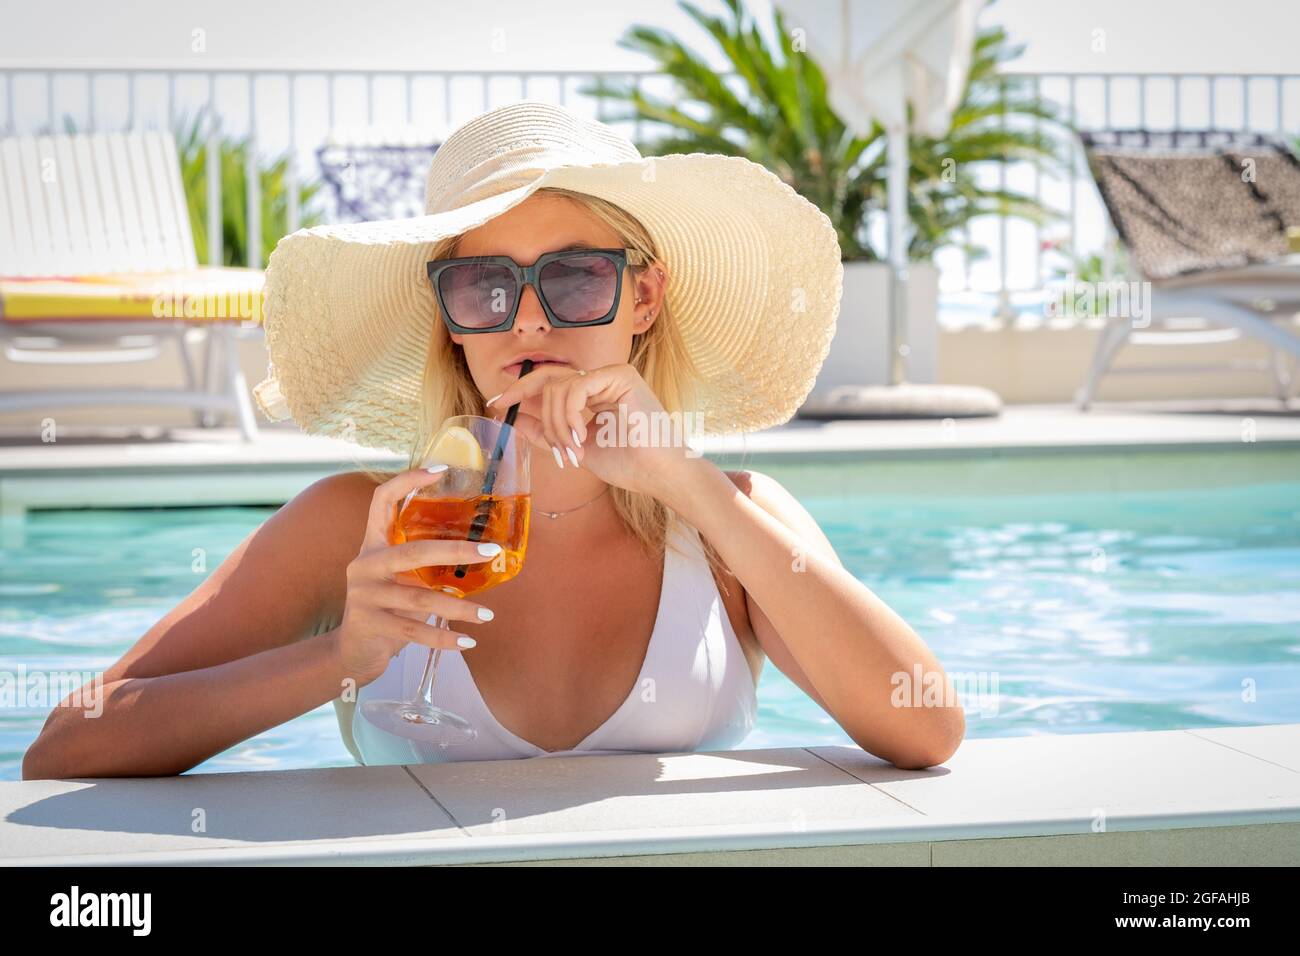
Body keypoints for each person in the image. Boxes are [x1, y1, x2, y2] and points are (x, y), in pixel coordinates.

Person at [22, 100, 964, 779]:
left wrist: (695, 488)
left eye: (576, 278)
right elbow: (69, 746)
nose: (528, 323)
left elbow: (927, 731)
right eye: (486, 288)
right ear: (451, 321)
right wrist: (336, 659)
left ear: (642, 297)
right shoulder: (357, 526)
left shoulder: (730, 521)